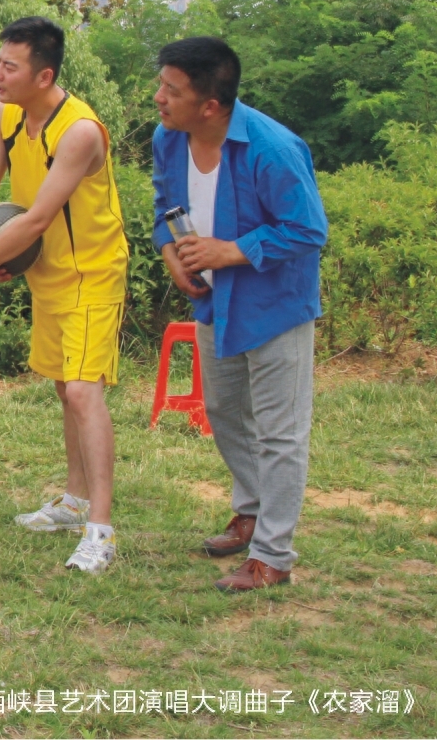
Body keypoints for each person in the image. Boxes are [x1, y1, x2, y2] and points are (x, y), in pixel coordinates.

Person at [0, 16, 129, 574]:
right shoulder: (5, 115)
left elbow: (41, 216)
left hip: (92, 272)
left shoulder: (79, 131)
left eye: (10, 66)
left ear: (44, 74)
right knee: (62, 387)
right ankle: (73, 502)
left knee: (82, 391)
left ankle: (101, 529)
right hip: (46, 272)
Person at [151, 37, 328, 592]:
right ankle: (250, 510)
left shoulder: (272, 149)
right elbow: (164, 207)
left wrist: (231, 250)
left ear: (210, 105)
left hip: (274, 306)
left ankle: (273, 556)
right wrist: (171, 254)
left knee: (280, 432)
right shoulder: (170, 139)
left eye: (171, 90)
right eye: (161, 84)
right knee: (225, 410)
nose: (158, 98)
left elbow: (308, 230)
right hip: (212, 303)